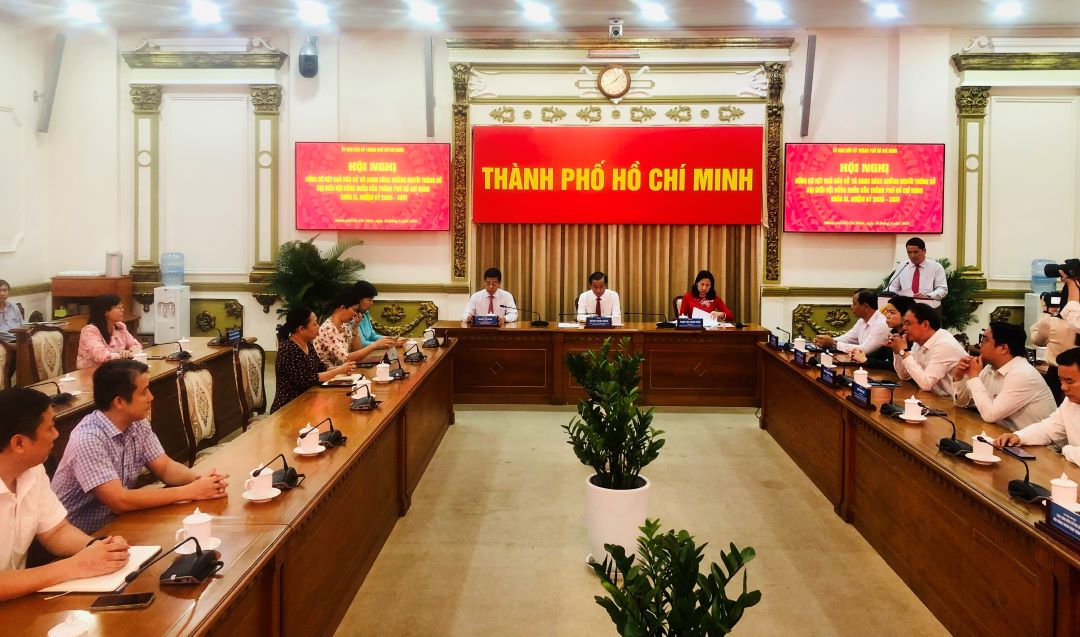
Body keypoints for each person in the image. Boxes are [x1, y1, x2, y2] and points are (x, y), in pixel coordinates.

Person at [50, 359, 230, 534]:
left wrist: (200, 480)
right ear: (119, 402)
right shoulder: (88, 439)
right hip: (81, 535)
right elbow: (119, 500)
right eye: (144, 392)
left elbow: (165, 467)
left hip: (117, 522)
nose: (151, 397)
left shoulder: (137, 423)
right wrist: (189, 491)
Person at [0, 387, 130, 600]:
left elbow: (55, 531)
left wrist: (96, 547)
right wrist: (74, 566)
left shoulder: (33, 470)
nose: (57, 434)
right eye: (50, 428)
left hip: (16, 600)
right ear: (19, 443)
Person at [952, 323, 1057, 431]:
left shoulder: (1022, 374)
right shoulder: (990, 368)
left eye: (984, 340)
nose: (979, 345)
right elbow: (962, 403)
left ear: (1003, 348)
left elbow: (989, 415)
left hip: (1031, 440)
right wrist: (959, 376)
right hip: (1001, 434)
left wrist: (974, 376)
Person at [994, 347, 1080, 466]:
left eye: (1069, 381)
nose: (1063, 387)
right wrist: (1019, 436)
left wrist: (1066, 450)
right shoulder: (1069, 402)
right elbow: (1048, 429)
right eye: (1061, 380)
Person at [271, 306, 357, 414]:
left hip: (309, 400)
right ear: (301, 329)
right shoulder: (288, 349)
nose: (319, 327)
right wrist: (339, 370)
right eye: (315, 324)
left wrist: (343, 369)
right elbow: (309, 379)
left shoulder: (308, 345)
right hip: (290, 407)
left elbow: (321, 368)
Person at [888, 303, 966, 396]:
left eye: (908, 323)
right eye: (904, 323)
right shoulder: (919, 341)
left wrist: (903, 352)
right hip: (935, 398)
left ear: (925, 324)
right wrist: (897, 351)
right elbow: (904, 376)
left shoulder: (944, 344)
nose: (904, 327)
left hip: (954, 402)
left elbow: (926, 384)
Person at [314, 288, 395, 368]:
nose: (355, 314)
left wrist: (355, 329)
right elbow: (346, 358)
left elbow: (357, 351)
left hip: (345, 369)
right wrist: (375, 345)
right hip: (331, 372)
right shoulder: (328, 329)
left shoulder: (344, 325)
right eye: (354, 310)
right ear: (342, 307)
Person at [813, 289, 889, 355]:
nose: (851, 307)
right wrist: (824, 341)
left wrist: (833, 343)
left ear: (865, 306)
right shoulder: (862, 320)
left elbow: (864, 350)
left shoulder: (881, 324)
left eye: (854, 303)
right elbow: (847, 339)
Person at [76, 294, 141, 369]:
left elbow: (136, 345)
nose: (122, 310)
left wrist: (130, 352)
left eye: (122, 307)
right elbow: (101, 356)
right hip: (91, 372)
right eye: (118, 308)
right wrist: (121, 355)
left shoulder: (120, 327)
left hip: (114, 369)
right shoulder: (90, 331)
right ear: (105, 312)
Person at [1031, 291, 1073, 404]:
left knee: (1054, 406)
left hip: (1056, 373)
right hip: (1074, 371)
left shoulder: (1050, 322)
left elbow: (1036, 340)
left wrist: (1046, 312)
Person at [853, 295, 915, 369]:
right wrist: (858, 355)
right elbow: (880, 354)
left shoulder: (912, 337)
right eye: (887, 312)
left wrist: (866, 360)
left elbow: (899, 367)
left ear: (905, 315)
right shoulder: (894, 331)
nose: (887, 316)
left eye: (892, 313)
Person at [350, 281, 406, 350]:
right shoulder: (350, 317)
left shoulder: (365, 313)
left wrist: (392, 339)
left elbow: (372, 336)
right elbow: (362, 344)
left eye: (372, 300)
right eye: (369, 300)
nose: (372, 303)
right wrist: (390, 344)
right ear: (358, 300)